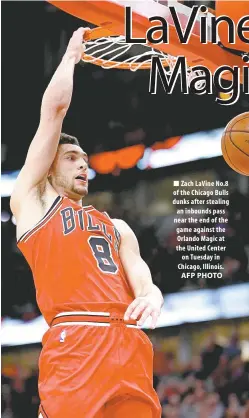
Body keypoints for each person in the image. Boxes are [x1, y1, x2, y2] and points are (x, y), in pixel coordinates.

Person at [10, 28, 163, 418]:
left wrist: (151, 296)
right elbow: (53, 113)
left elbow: (142, 279)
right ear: (48, 168)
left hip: (129, 344)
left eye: (85, 159)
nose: (83, 163)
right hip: (77, 339)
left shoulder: (117, 227)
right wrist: (71, 58)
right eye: (71, 157)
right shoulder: (35, 203)